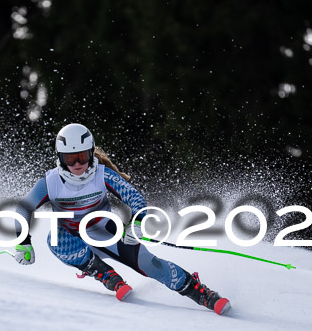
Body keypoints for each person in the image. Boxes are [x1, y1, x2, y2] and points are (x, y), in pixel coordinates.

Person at [13, 123, 231, 315]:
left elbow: (134, 197)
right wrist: (23, 243)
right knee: (55, 239)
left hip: (104, 231)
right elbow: (23, 209)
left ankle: (202, 293)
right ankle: (107, 276)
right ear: (60, 158)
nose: (78, 164)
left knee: (151, 264)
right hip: (70, 237)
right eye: (71, 158)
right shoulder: (50, 182)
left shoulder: (102, 174)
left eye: (82, 156)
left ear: (91, 153)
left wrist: (136, 222)